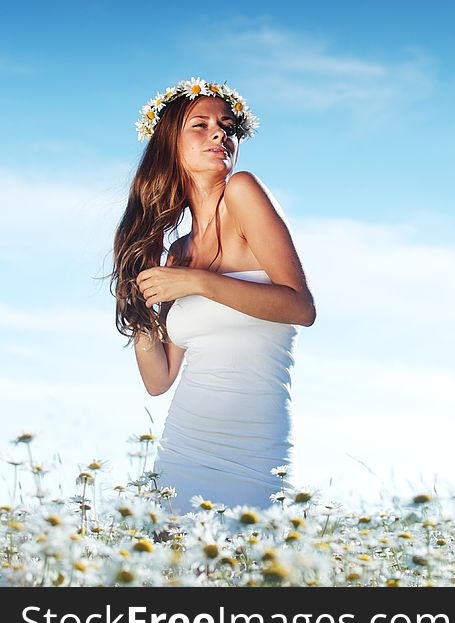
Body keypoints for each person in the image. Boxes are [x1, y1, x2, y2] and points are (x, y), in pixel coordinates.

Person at [110, 76, 316, 513]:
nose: (219, 133)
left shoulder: (243, 192)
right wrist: (136, 303)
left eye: (226, 125)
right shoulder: (180, 252)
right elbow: (158, 380)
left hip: (255, 451)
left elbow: (300, 307)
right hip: (184, 448)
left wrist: (198, 283)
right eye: (199, 125)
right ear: (170, 144)